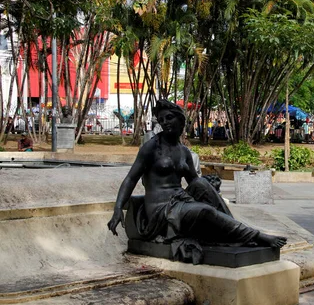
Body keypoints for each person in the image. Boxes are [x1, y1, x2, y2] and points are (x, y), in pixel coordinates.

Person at [107, 100, 286, 262]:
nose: (165, 123)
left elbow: (195, 183)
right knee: (205, 211)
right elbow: (131, 178)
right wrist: (117, 209)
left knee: (202, 184)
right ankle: (255, 236)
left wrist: (210, 184)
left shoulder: (184, 152)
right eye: (161, 120)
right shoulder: (152, 148)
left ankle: (234, 233)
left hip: (179, 201)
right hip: (161, 211)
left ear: (180, 120)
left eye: (169, 118)